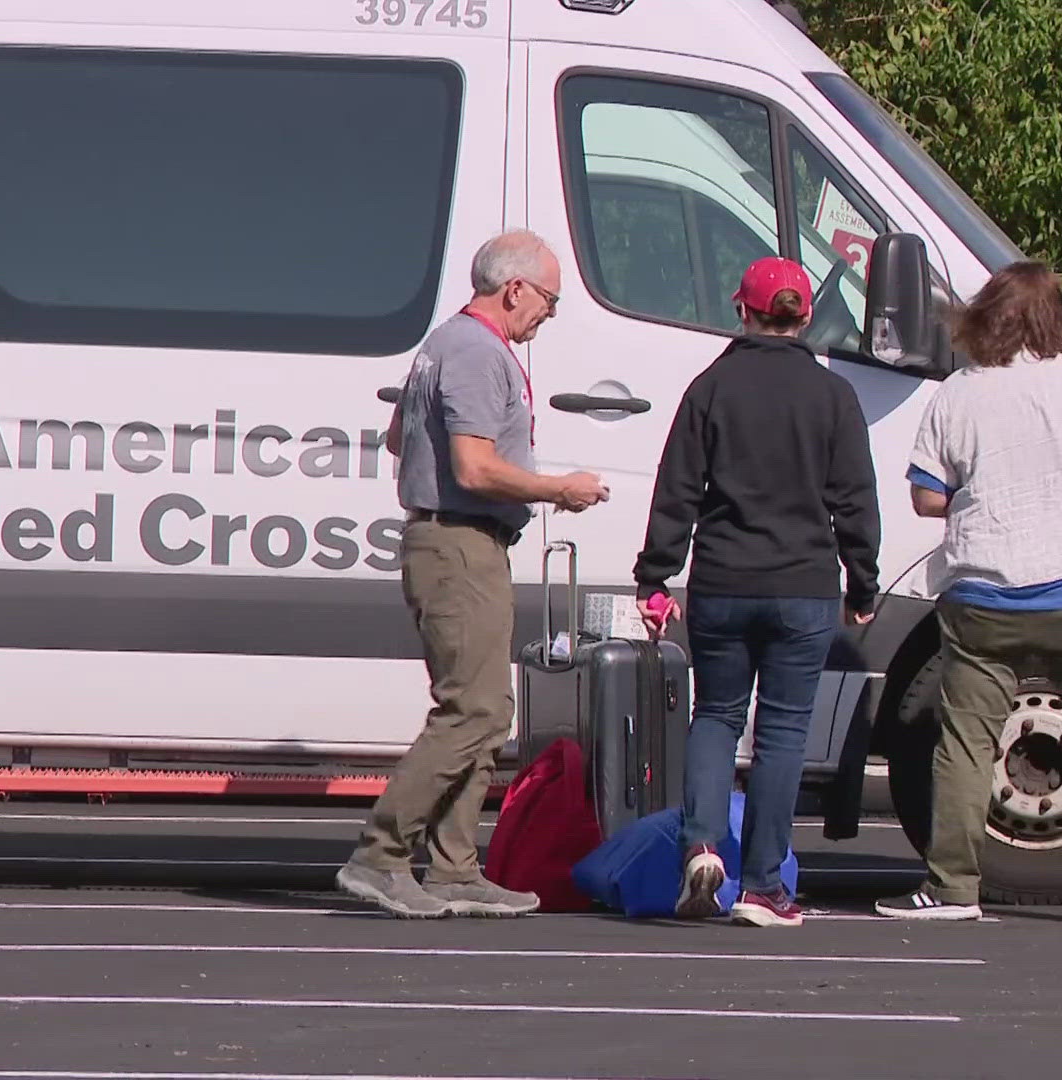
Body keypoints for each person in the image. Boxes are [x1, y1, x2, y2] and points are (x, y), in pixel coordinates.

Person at [875, 260, 1062, 924]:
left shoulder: (959, 393)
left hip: (987, 597)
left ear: (985, 316)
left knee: (966, 741)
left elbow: (927, 497)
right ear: (1052, 318)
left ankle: (950, 889)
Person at [337, 229, 610, 919]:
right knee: (474, 709)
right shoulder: (476, 353)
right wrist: (558, 490)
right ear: (514, 288)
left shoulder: (442, 345)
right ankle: (381, 854)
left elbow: (400, 437)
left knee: (487, 709)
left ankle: (456, 868)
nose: (549, 312)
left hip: (458, 542)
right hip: (462, 544)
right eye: (548, 297)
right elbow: (474, 468)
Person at [632, 257, 880, 928]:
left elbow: (676, 489)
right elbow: (855, 499)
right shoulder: (834, 397)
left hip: (722, 580)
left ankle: (702, 844)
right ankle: (765, 886)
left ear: (742, 312)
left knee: (715, 715)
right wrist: (865, 582)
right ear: (804, 317)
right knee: (783, 732)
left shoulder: (710, 387)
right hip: (802, 585)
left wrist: (654, 578)